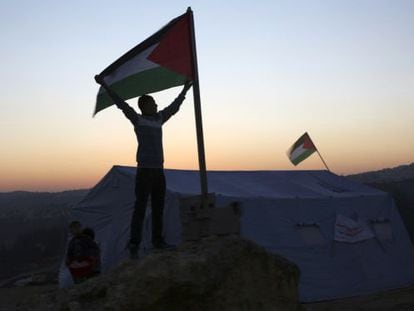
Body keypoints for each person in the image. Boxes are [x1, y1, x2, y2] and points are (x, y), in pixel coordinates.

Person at [94, 75, 192, 258]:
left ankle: (157, 241)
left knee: (158, 207)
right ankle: (134, 244)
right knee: (140, 209)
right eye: (153, 102)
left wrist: (185, 90)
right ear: (144, 106)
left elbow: (174, 107)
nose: (156, 105)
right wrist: (105, 85)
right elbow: (121, 104)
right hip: (144, 171)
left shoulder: (160, 118)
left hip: (158, 171)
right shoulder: (138, 120)